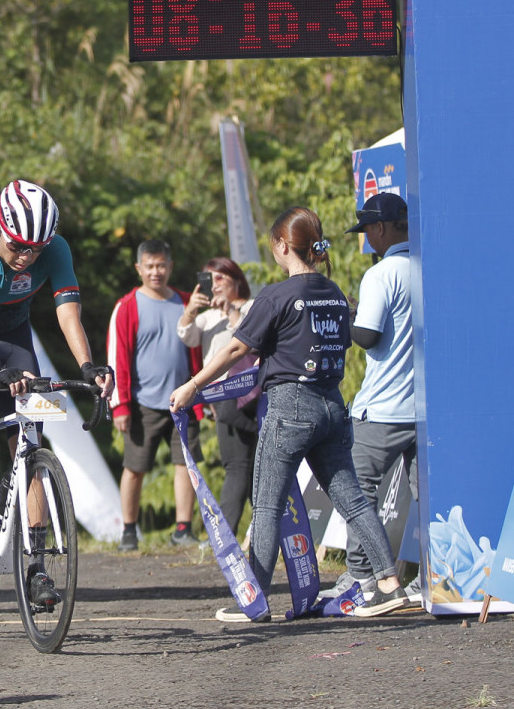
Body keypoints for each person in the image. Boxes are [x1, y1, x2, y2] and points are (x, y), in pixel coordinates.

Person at [168, 207, 407, 622]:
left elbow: (237, 348)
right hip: (333, 406)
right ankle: (390, 585)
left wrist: (193, 386)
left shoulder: (276, 295)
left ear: (282, 245)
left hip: (290, 408)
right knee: (352, 500)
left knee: (267, 505)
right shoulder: (335, 292)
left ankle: (256, 600)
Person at [0, 180, 111, 604]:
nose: (25, 257)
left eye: (35, 249)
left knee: (31, 441)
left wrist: (87, 367)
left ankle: (37, 567)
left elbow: (68, 313)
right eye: (17, 246)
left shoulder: (56, 249)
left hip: (14, 337)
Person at [336, 193, 420, 604]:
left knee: (357, 489)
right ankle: (435, 574)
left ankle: (361, 577)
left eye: (368, 230)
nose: (367, 238)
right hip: (427, 408)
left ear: (381, 228)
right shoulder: (430, 266)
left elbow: (368, 336)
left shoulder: (381, 274)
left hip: (384, 405)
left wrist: (346, 317)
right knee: (428, 494)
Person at [110, 240, 205, 551]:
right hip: (143, 403)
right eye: (150, 266)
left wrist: (202, 395)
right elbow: (117, 358)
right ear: (138, 268)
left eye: (161, 265)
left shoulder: (186, 302)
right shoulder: (127, 306)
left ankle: (183, 528)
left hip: (182, 401)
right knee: (134, 467)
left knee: (186, 464)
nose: (156, 272)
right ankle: (128, 531)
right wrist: (120, 405)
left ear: (170, 267)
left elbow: (199, 349)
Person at [177, 257, 256, 536]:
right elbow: (187, 336)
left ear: (237, 278)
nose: (216, 285)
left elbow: (250, 342)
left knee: (238, 466)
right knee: (244, 466)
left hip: (247, 392)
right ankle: (257, 534)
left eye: (220, 277)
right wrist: (190, 310)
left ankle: (226, 537)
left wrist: (232, 311)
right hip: (220, 395)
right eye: (210, 280)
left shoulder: (251, 307)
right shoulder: (209, 316)